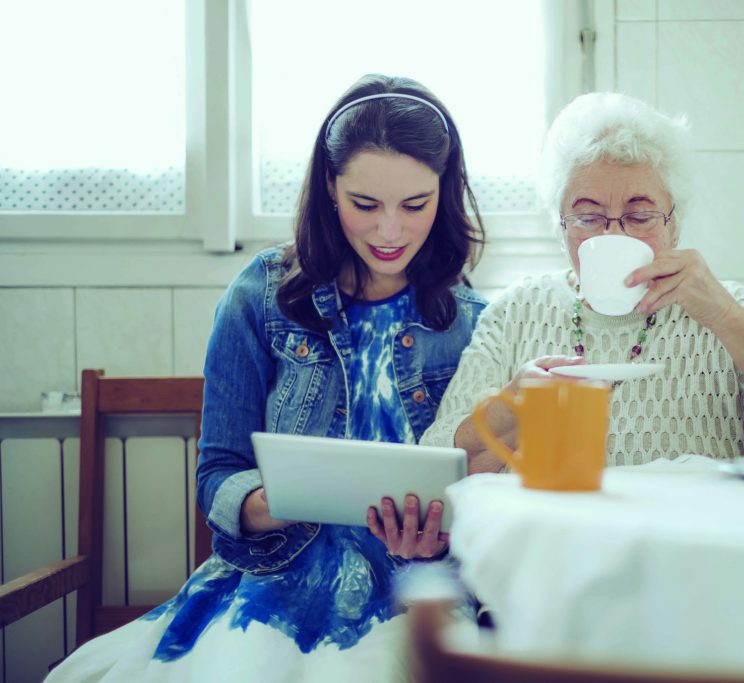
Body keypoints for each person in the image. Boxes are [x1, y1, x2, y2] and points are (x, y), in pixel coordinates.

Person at [48, 74, 486, 682]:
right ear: (330, 188)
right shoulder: (261, 293)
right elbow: (217, 474)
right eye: (366, 204)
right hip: (274, 583)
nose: (390, 231)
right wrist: (266, 502)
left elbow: (483, 502)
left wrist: (435, 539)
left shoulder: (474, 322)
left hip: (416, 594)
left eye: (415, 204)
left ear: (445, 190)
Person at [420, 92, 744, 470]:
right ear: (560, 225)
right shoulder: (516, 312)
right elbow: (441, 466)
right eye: (588, 218)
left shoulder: (733, 309)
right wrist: (511, 408)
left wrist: (723, 314)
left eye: (639, 216)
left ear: (674, 223)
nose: (614, 235)